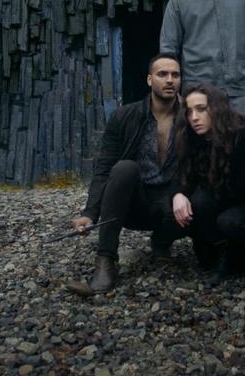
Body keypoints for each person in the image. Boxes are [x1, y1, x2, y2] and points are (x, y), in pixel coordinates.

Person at [69, 53, 187, 294]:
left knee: (198, 196)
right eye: (162, 74)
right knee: (124, 168)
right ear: (148, 79)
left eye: (175, 75)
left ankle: (162, 241)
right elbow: (103, 169)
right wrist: (89, 213)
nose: (169, 80)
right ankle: (106, 260)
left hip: (173, 205)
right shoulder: (125, 116)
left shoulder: (191, 117)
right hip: (134, 203)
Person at [171, 83, 245, 285]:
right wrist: (178, 195)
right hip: (222, 204)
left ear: (217, 108)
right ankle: (226, 254)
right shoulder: (193, 140)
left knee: (230, 222)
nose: (194, 117)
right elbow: (180, 175)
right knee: (197, 206)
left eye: (201, 109)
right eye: (189, 111)